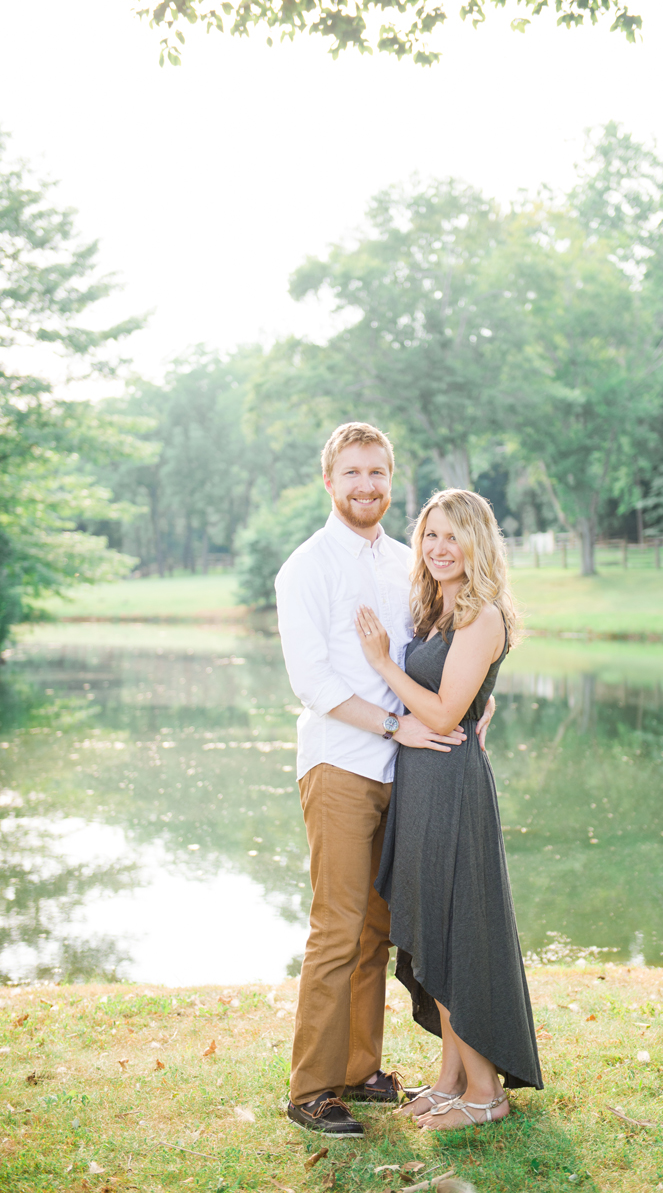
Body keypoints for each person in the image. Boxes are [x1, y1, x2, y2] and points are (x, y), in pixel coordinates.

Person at [275, 423, 494, 1136]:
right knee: (337, 927)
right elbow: (312, 681)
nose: (366, 485)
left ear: (391, 480)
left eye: (377, 472)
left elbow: (450, 645)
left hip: (407, 771)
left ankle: (360, 1067)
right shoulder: (304, 568)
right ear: (329, 481)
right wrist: (393, 724)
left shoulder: (409, 562)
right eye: (352, 473)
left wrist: (483, 697)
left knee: (377, 929)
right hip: (342, 762)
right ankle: (312, 1087)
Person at [354, 488, 543, 1132]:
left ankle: (486, 1094)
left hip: (452, 788)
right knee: (430, 927)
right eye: (429, 535)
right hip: (421, 781)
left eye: (451, 536)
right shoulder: (438, 607)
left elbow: (440, 713)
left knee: (454, 933)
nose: (437, 548)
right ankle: (450, 1078)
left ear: (477, 543)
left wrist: (382, 663)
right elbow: (458, 693)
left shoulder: (481, 613)